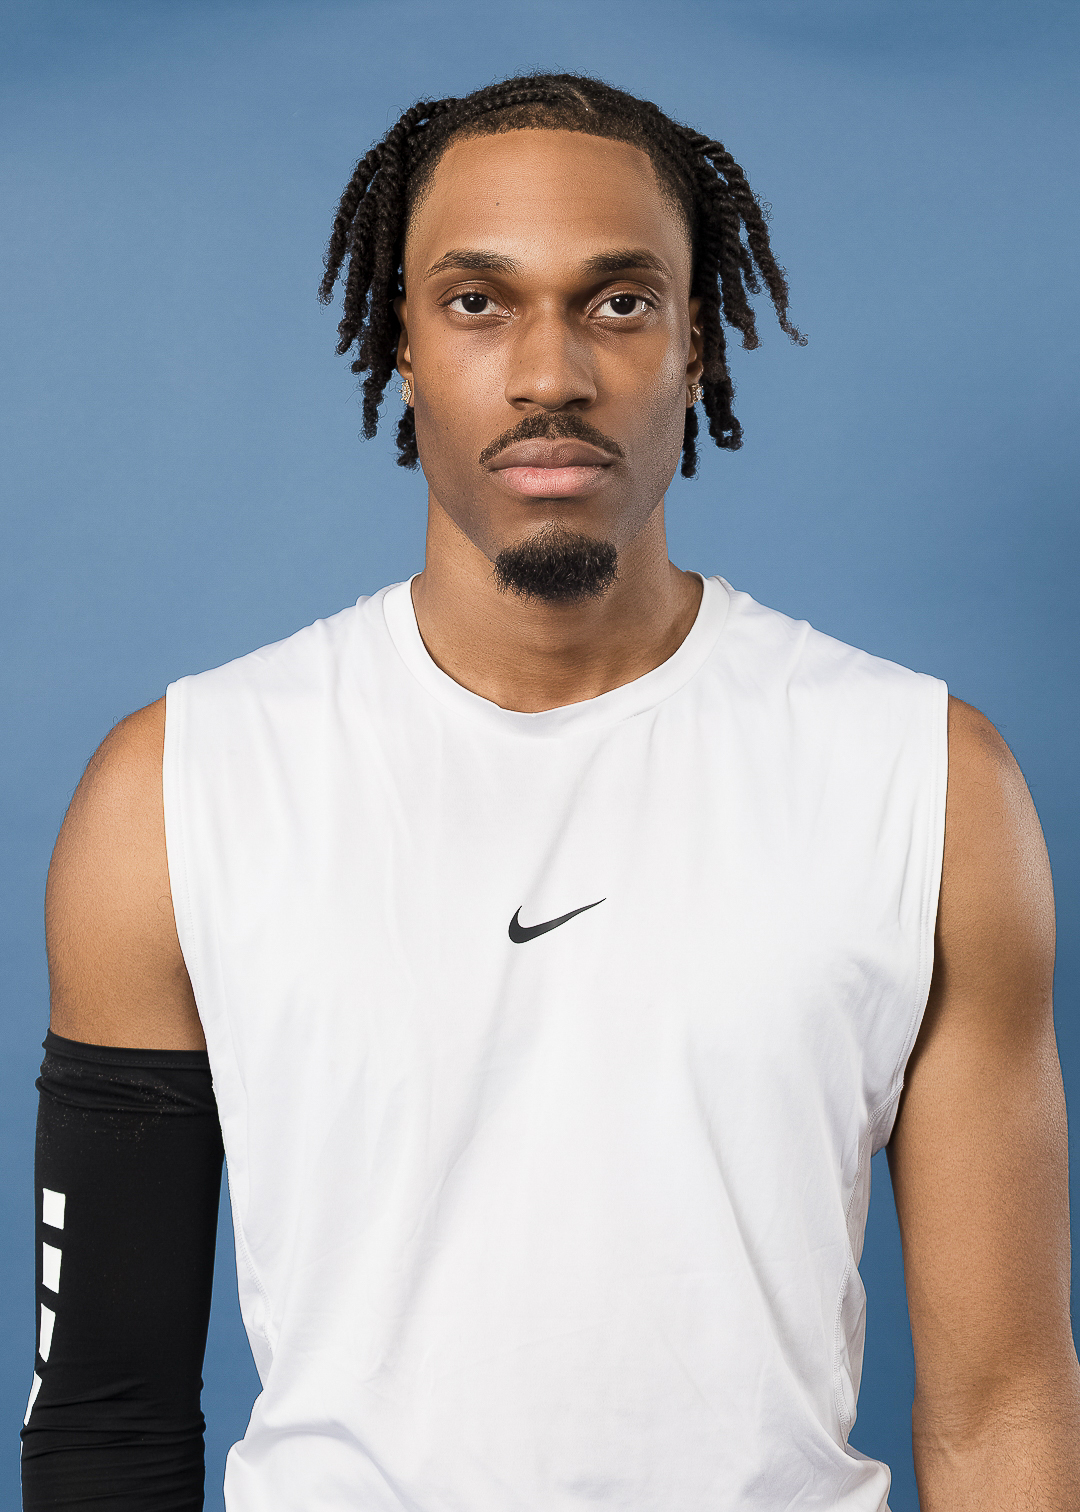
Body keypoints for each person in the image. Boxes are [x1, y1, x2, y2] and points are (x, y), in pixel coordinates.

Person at [22, 72, 1079, 1511]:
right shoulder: (178, 789)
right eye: (477, 302)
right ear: (401, 345)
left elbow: (1003, 1406)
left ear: (696, 345)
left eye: (619, 302)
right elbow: (105, 1414)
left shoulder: (926, 782)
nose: (550, 373)